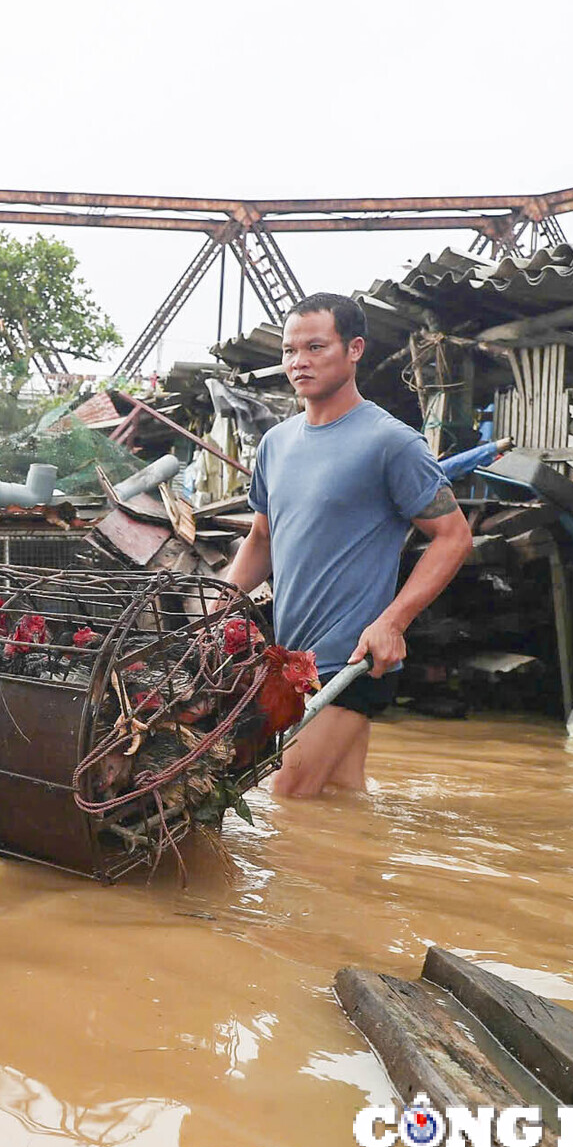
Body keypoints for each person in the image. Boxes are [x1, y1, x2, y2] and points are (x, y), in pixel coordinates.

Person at [223, 292, 473, 798]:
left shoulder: (391, 442)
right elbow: (262, 538)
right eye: (291, 350)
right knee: (338, 798)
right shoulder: (276, 443)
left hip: (354, 658)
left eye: (316, 347)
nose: (299, 362)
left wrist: (392, 622)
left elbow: (454, 537)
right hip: (291, 660)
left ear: (354, 348)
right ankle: (361, 873)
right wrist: (219, 600)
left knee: (286, 796)